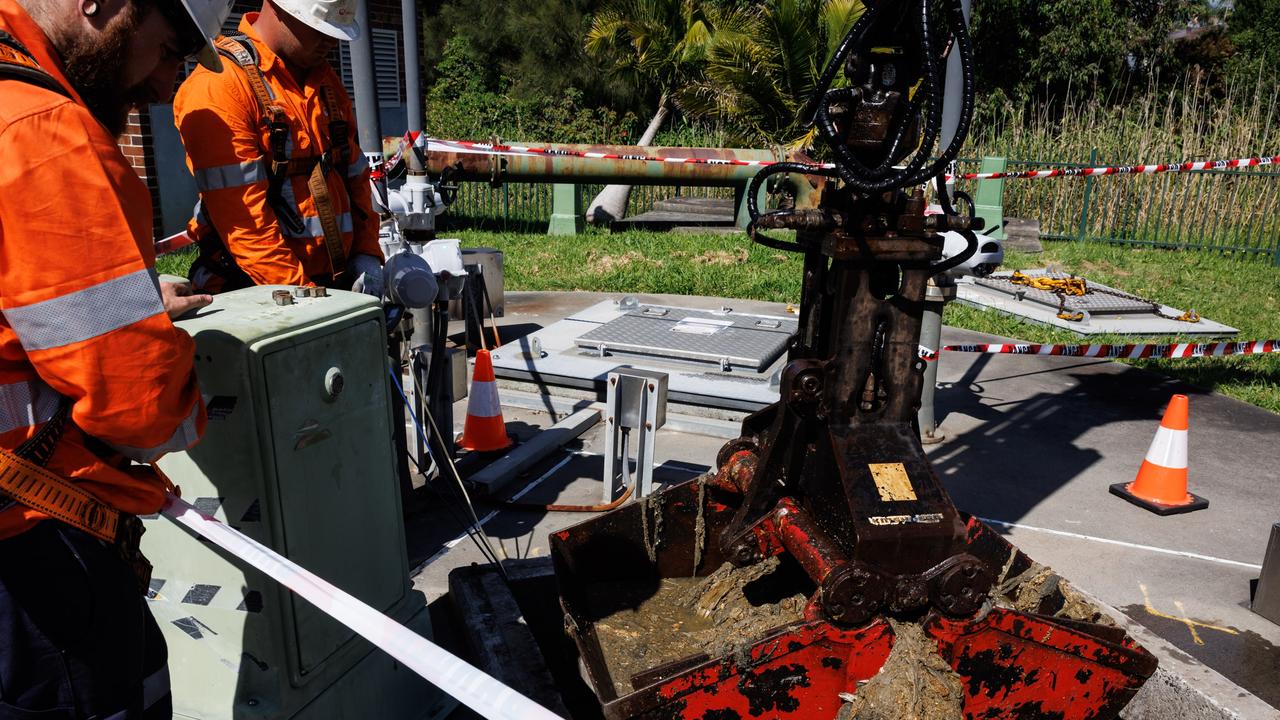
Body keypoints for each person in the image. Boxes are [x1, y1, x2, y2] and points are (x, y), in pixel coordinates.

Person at [0, 0, 229, 714]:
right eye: (167, 49)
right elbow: (142, 410)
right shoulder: (41, 133)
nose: (166, 86)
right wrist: (172, 370)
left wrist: (123, 301)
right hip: (35, 546)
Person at [174, 0, 385, 297]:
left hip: (331, 287)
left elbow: (354, 177)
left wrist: (366, 253)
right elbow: (246, 224)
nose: (331, 41)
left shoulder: (324, 81)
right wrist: (306, 296)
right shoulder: (221, 85)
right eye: (319, 29)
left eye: (336, 32)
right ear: (278, 9)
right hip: (254, 293)